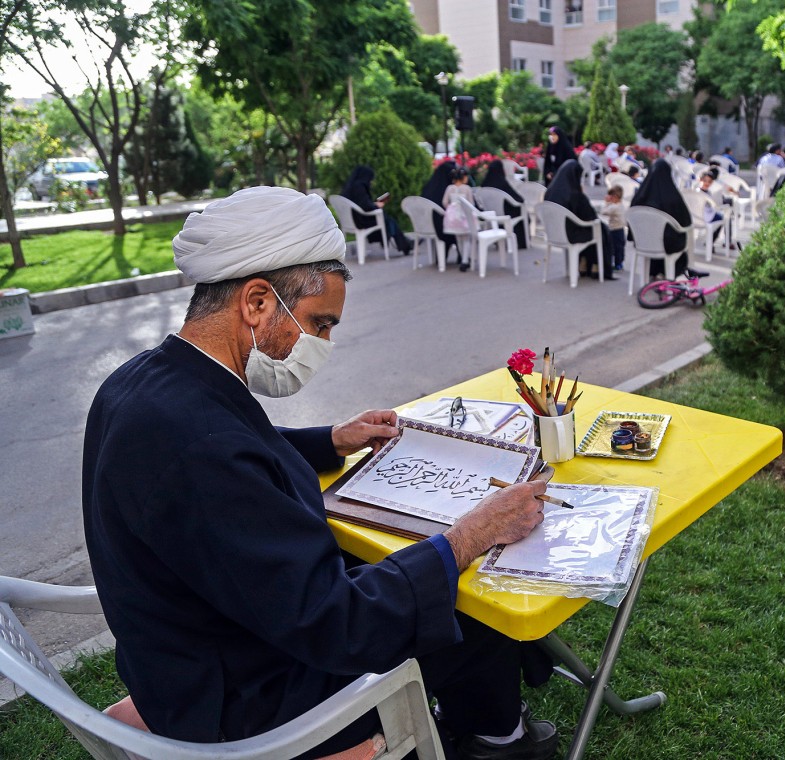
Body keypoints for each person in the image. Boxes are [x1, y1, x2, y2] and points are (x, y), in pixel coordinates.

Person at [84, 186, 560, 760]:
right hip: (249, 699)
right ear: (257, 302)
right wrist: (471, 534)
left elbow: (235, 452)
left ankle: (492, 718)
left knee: (404, 570)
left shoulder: (146, 383)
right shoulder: (202, 445)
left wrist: (330, 439)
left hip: (187, 654)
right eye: (320, 323)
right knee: (464, 604)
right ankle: (496, 743)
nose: (323, 343)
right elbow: (342, 625)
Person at [629, 158, 705, 280]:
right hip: (667, 245)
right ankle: (686, 268)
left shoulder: (639, 196)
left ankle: (654, 271)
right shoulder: (672, 197)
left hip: (643, 242)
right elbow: (686, 222)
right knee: (685, 234)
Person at [543, 161, 615, 281]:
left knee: (587, 228)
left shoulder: (549, 192)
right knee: (601, 229)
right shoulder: (575, 194)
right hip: (571, 235)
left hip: (553, 233)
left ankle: (583, 262)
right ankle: (596, 266)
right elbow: (591, 216)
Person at [339, 165, 414, 255]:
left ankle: (405, 244)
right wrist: (376, 205)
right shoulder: (359, 186)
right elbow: (365, 206)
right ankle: (406, 245)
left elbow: (360, 204)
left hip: (354, 220)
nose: (370, 182)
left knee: (388, 220)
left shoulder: (350, 186)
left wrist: (373, 205)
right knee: (389, 221)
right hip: (362, 221)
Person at [482, 159, 527, 251]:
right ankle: (521, 242)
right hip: (504, 213)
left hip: (491, 214)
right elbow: (518, 199)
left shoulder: (484, 184)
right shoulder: (502, 183)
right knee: (521, 211)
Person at [421, 160, 460, 264]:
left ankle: (441, 257)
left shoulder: (428, 186)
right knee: (459, 225)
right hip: (442, 227)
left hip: (425, 224)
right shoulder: (448, 189)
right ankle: (462, 255)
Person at [442, 167, 477, 271]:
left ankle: (463, 258)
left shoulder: (449, 188)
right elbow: (471, 203)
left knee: (458, 239)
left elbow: (444, 202)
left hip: (453, 217)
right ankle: (465, 261)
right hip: (464, 216)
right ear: (464, 177)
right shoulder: (467, 189)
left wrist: (451, 208)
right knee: (466, 238)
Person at [599, 186, 627, 271]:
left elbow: (603, 211)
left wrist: (606, 202)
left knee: (613, 248)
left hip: (615, 230)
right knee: (620, 248)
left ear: (615, 197)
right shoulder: (620, 205)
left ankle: (616, 263)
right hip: (620, 229)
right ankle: (620, 263)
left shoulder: (614, 207)